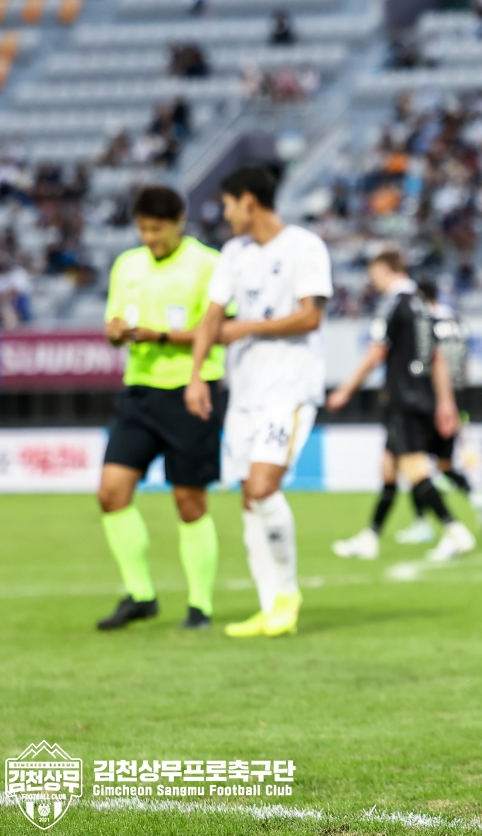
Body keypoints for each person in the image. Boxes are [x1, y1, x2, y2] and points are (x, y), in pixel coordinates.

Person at [185, 165, 332, 639]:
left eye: (228, 205)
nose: (225, 215)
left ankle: (287, 594)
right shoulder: (233, 254)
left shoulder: (305, 246)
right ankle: (269, 607)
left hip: (289, 388)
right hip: (245, 391)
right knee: (249, 496)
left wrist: (248, 326)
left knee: (263, 486)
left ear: (248, 201)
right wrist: (196, 375)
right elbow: (211, 318)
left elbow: (310, 317)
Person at [95, 186, 225, 632]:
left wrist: (162, 336)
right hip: (139, 392)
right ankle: (140, 595)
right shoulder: (127, 265)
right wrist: (116, 333)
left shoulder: (208, 264)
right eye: (143, 229)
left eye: (157, 229)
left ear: (179, 222)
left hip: (191, 391)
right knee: (111, 493)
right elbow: (114, 325)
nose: (150, 237)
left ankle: (200, 605)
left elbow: (220, 329)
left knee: (189, 502)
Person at [327, 251, 473, 562]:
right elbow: (438, 359)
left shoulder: (392, 304)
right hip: (424, 396)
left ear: (385, 269)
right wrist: (445, 402)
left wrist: (345, 389)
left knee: (414, 467)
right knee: (389, 469)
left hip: (402, 399)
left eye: (374, 274)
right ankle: (371, 536)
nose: (373, 282)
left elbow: (376, 352)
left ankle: (454, 530)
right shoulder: (423, 305)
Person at [422, 278, 482, 537]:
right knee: (443, 464)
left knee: (416, 460)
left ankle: (422, 523)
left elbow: (430, 361)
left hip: (433, 396)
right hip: (458, 395)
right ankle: (476, 496)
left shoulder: (426, 322)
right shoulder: (458, 323)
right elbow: (465, 364)